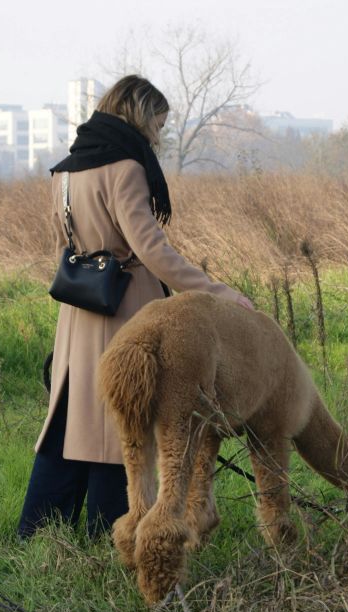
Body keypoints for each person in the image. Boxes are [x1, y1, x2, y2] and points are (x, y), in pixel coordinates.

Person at [17, 75, 254, 539]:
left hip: (79, 309)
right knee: (119, 422)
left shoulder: (67, 168)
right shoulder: (125, 165)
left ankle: (39, 530)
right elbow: (152, 251)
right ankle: (111, 529)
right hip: (125, 309)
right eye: (157, 124)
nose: (158, 136)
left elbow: (65, 239)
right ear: (139, 116)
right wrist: (219, 293)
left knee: (70, 419)